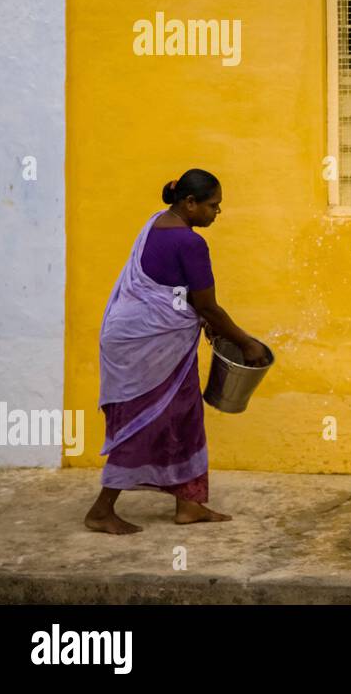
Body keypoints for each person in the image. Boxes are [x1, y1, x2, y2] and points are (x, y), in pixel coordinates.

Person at [84, 169, 267, 534]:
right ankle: (102, 510)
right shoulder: (190, 242)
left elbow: (181, 297)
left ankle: (189, 503)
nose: (217, 212)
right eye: (213, 206)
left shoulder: (157, 222)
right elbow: (207, 306)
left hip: (147, 339)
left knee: (183, 415)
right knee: (146, 421)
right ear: (189, 203)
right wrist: (247, 343)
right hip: (147, 345)